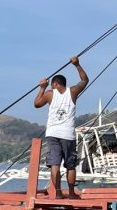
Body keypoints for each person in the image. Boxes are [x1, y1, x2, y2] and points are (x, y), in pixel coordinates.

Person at [34, 56, 88, 198]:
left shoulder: (50, 94)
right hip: (68, 135)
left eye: (52, 85)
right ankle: (71, 194)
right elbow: (84, 80)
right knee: (70, 166)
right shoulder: (73, 92)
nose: (52, 87)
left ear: (56, 84)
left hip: (52, 133)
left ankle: (58, 193)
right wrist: (77, 65)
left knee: (54, 165)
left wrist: (42, 88)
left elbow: (37, 104)